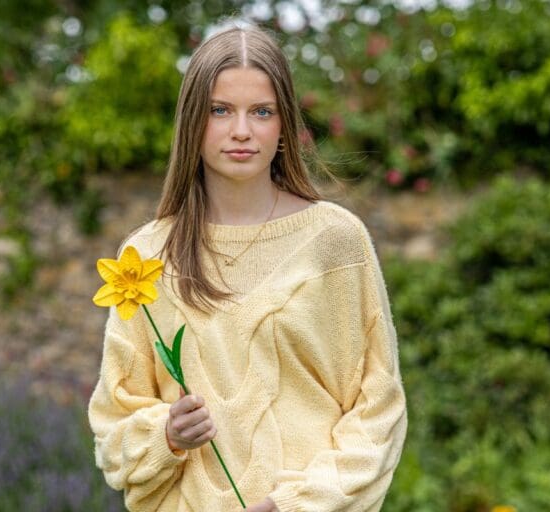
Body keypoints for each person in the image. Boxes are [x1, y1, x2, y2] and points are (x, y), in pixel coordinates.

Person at [87, 22, 407, 512]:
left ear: (285, 125)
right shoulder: (145, 259)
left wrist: (292, 506)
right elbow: (114, 436)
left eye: (261, 112)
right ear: (192, 121)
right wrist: (167, 435)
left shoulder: (336, 241)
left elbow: (377, 410)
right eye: (220, 111)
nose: (241, 131)